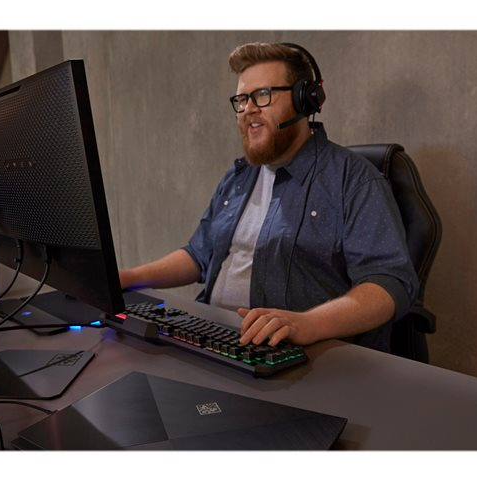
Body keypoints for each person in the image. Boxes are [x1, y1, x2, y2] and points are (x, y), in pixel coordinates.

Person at [119, 42, 418, 353]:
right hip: (214, 341)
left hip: (292, 355)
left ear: (304, 100)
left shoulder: (352, 179)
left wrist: (307, 324)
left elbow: (389, 283)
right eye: (242, 99)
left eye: (263, 95)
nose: (248, 109)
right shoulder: (239, 177)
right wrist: (128, 278)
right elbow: (199, 255)